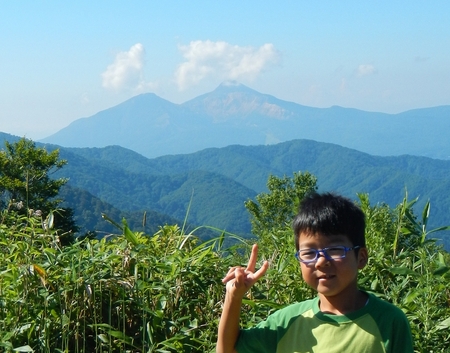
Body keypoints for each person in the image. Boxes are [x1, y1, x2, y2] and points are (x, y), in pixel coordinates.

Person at [216, 192, 413, 353]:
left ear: (361, 257)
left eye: (335, 250)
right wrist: (234, 296)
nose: (320, 262)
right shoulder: (288, 321)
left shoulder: (389, 322)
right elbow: (228, 350)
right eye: (309, 252)